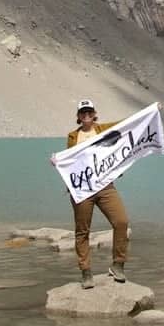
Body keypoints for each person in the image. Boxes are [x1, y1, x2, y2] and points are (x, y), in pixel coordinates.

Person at [53, 99, 131, 288]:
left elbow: (128, 125)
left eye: (89, 112)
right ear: (78, 116)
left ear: (95, 114)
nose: (86, 115)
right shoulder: (72, 136)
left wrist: (152, 111)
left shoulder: (103, 129)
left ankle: (118, 265)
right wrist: (57, 160)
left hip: (104, 185)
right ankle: (86, 272)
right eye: (83, 112)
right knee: (82, 231)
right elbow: (70, 160)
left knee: (121, 222)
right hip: (81, 189)